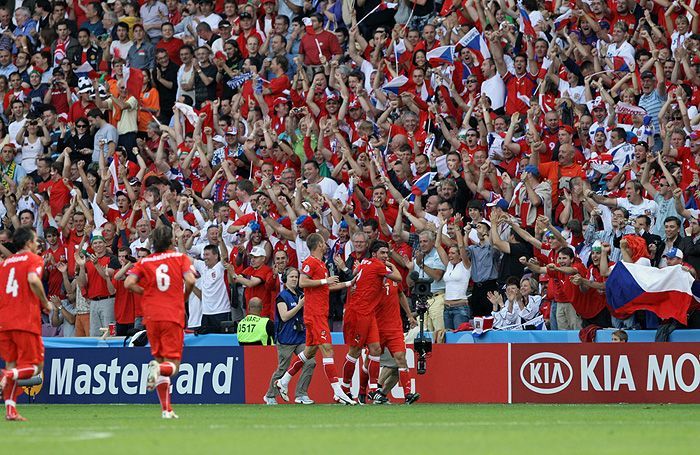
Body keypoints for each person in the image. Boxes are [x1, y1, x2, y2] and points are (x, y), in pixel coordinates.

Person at [274, 233, 355, 405]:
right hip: (314, 314)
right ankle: (338, 391)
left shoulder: (321, 264)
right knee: (327, 349)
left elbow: (327, 286)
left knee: (309, 352)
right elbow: (303, 282)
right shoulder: (310, 262)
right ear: (318, 244)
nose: (326, 245)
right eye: (324, 243)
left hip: (319, 313)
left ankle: (284, 381)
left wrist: (349, 283)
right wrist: (324, 281)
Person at [124, 225, 196, 419]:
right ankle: (156, 370)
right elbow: (190, 280)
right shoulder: (180, 258)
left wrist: (146, 292)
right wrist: (184, 297)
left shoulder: (144, 261)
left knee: (160, 359)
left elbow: (128, 283)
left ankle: (166, 409)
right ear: (171, 240)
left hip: (152, 317)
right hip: (172, 314)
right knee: (172, 365)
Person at [0, 227, 53, 421]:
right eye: (36, 240)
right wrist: (45, 302)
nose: (38, 243)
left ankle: (10, 411)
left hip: (4, 321)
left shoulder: (5, 264)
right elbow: (32, 279)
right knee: (36, 367)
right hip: (25, 320)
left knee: (12, 363)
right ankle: (6, 374)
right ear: (29, 243)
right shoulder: (33, 259)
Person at [340, 240, 402, 404]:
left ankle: (373, 389)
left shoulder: (363, 264)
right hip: (358, 313)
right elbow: (398, 277)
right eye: (382, 253)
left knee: (375, 349)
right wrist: (389, 264)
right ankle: (344, 389)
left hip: (369, 314)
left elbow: (356, 280)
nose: (385, 256)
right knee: (354, 352)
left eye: (387, 253)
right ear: (374, 254)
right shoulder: (377, 265)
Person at [265, 267, 316, 405]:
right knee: (283, 368)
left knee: (310, 362)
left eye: (296, 277)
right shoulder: (282, 296)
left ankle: (301, 394)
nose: (294, 279)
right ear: (285, 279)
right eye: (292, 277)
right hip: (286, 338)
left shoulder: (300, 294)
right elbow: (284, 316)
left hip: (300, 336)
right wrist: (300, 306)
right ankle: (270, 395)